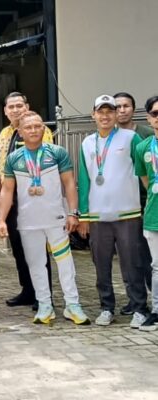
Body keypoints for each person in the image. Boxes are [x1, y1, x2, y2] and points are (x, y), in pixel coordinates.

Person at [0, 111, 90, 325]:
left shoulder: (57, 153)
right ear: (20, 132)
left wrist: (73, 213)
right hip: (28, 222)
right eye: (28, 127)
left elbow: (69, 183)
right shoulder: (13, 158)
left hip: (56, 219)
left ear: (43, 128)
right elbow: (7, 190)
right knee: (36, 264)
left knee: (65, 263)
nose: (34, 130)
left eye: (37, 126)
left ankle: (72, 305)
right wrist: (1, 220)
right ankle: (45, 305)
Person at [77, 95, 148, 328]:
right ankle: (106, 307)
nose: (105, 116)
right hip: (98, 216)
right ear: (93, 115)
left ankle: (139, 308)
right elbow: (84, 180)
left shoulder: (130, 138)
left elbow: (145, 168)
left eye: (110, 111)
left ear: (117, 114)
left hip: (128, 214)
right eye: (101, 111)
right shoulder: (87, 143)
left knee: (132, 264)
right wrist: (83, 214)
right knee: (101, 265)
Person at [0, 92, 53, 310]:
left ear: (26, 107)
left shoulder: (40, 130)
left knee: (37, 248)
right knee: (18, 248)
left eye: (19, 105)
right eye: (11, 107)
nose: (15, 110)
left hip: (34, 196)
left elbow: (45, 162)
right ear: (5, 111)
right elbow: (3, 167)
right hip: (12, 198)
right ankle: (27, 290)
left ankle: (43, 294)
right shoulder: (4, 133)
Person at [115, 91, 154, 315]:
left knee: (149, 256)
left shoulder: (147, 134)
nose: (122, 110)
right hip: (123, 206)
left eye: (126, 106)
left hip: (146, 202)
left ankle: (154, 297)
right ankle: (136, 300)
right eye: (117, 106)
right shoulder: (109, 136)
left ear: (134, 109)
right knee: (129, 257)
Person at [135, 95, 158, 331]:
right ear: (149, 118)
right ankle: (157, 310)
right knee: (157, 266)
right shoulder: (142, 147)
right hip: (154, 215)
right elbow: (145, 182)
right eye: (155, 113)